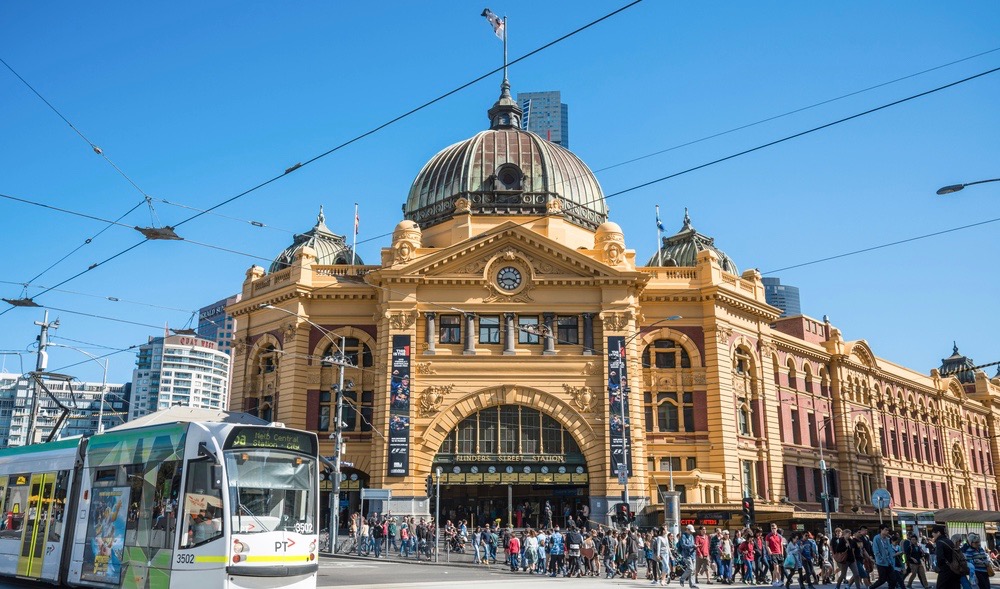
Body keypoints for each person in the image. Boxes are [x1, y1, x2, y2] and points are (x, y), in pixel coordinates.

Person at [930, 524, 962, 589]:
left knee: (941, 586)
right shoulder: (949, 541)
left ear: (938, 533)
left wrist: (938, 567)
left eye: (933, 533)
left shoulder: (939, 542)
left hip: (945, 570)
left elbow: (940, 557)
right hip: (954, 569)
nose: (932, 535)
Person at [869, 524, 895, 589]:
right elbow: (875, 550)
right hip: (881, 563)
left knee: (893, 579)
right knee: (882, 579)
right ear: (881, 530)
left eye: (888, 530)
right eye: (885, 530)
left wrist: (891, 560)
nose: (887, 531)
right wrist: (880, 559)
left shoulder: (887, 539)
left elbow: (889, 550)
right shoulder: (876, 538)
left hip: (888, 562)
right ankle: (871, 587)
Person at [678, 524, 700, 588]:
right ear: (687, 529)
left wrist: (695, 547)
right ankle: (682, 578)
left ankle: (692, 584)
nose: (691, 532)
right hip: (686, 555)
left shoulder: (691, 536)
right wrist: (692, 546)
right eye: (690, 531)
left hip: (692, 554)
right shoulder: (683, 536)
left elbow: (693, 544)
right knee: (690, 568)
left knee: (693, 570)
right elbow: (683, 545)